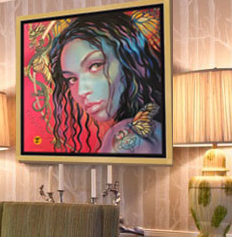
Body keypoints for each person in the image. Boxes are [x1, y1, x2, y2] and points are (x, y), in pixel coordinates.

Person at [48, 11, 164, 154]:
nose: (81, 91)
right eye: (72, 79)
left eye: (95, 65)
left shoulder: (126, 134)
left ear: (129, 60)